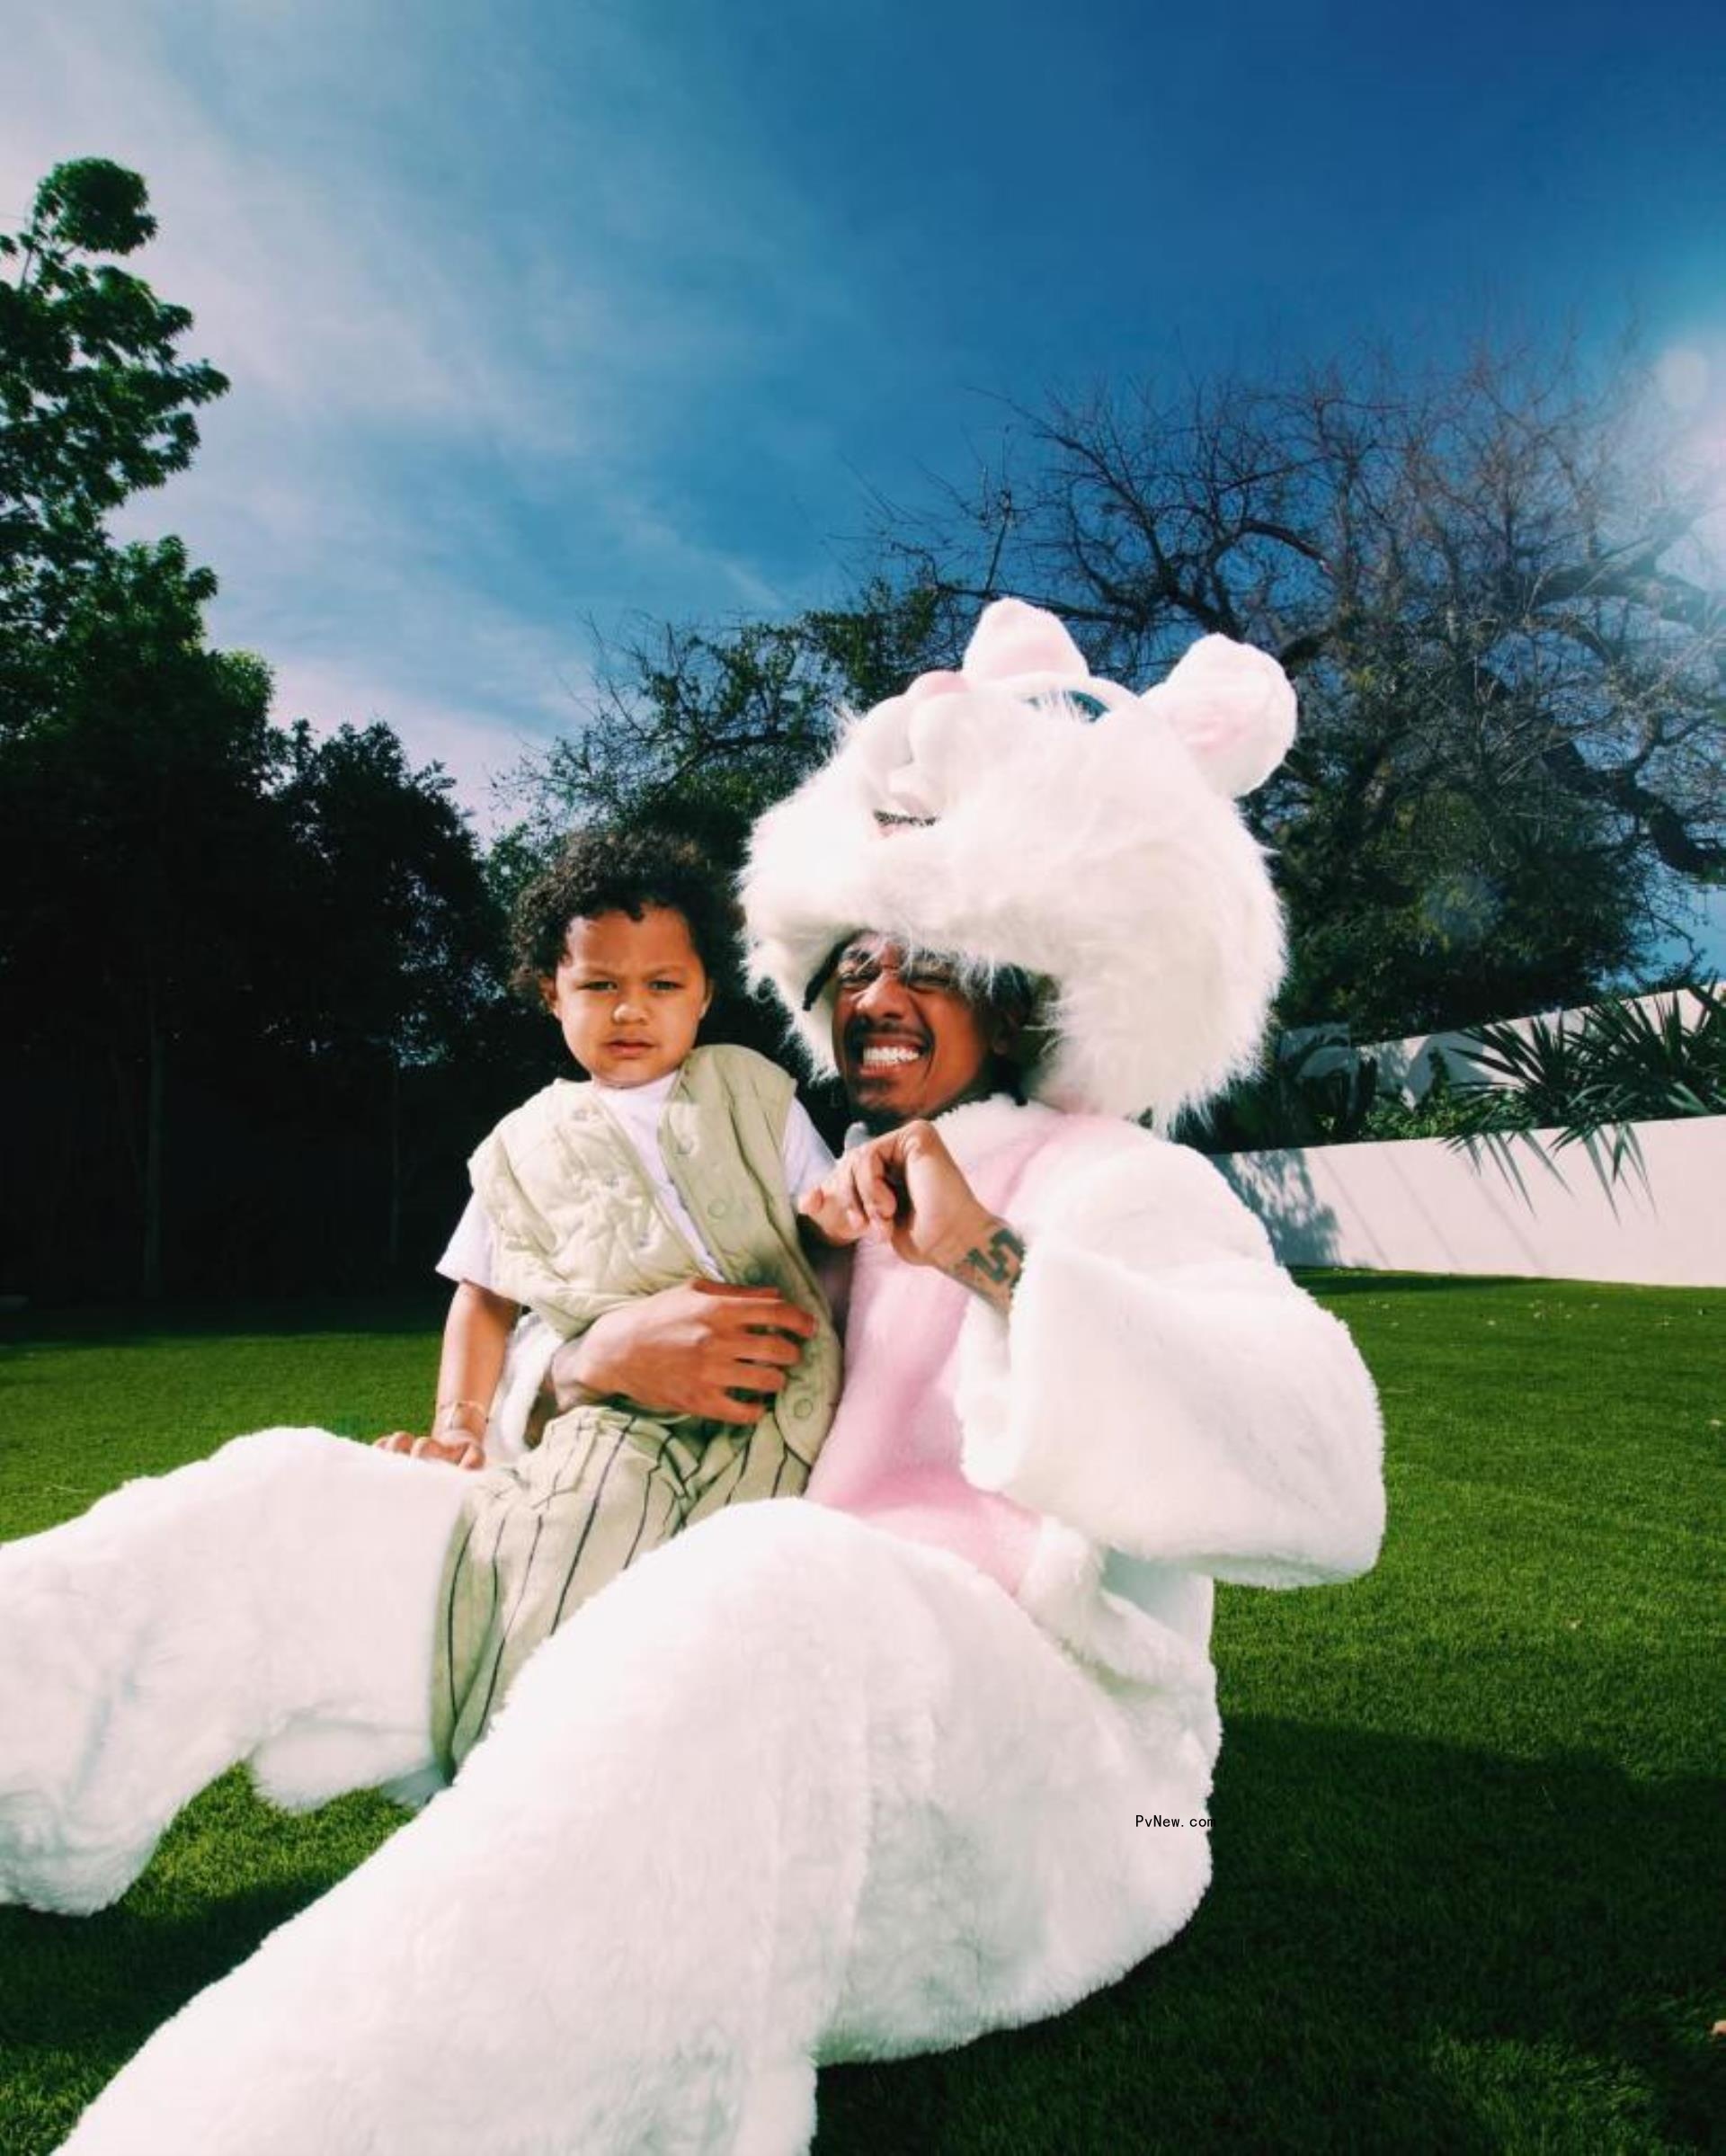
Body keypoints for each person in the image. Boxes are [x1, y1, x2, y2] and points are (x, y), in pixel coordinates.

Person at [12, 599, 1384, 2156]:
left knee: (774, 1577)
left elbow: (1325, 1478)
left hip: (1041, 1772)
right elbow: (620, 1334)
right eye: (854, 957)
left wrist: (997, 1260)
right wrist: (575, 1366)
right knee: (292, 1492)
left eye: (930, 961)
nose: (874, 994)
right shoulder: (825, 1181)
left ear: (1037, 983)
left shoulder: (1120, 1186)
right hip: (680, 1626)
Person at [377, 825, 841, 1768]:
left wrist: (848, 1207)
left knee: (727, 1603)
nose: (631, 1009)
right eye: (598, 986)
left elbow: (824, 1223)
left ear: (705, 993)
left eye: (663, 984)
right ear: (551, 992)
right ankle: (506, 1763)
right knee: (564, 1540)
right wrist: (459, 1424)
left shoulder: (756, 1095)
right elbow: (482, 1300)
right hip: (615, 1419)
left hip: (775, 1407)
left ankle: (669, 1774)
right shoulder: (522, 1144)